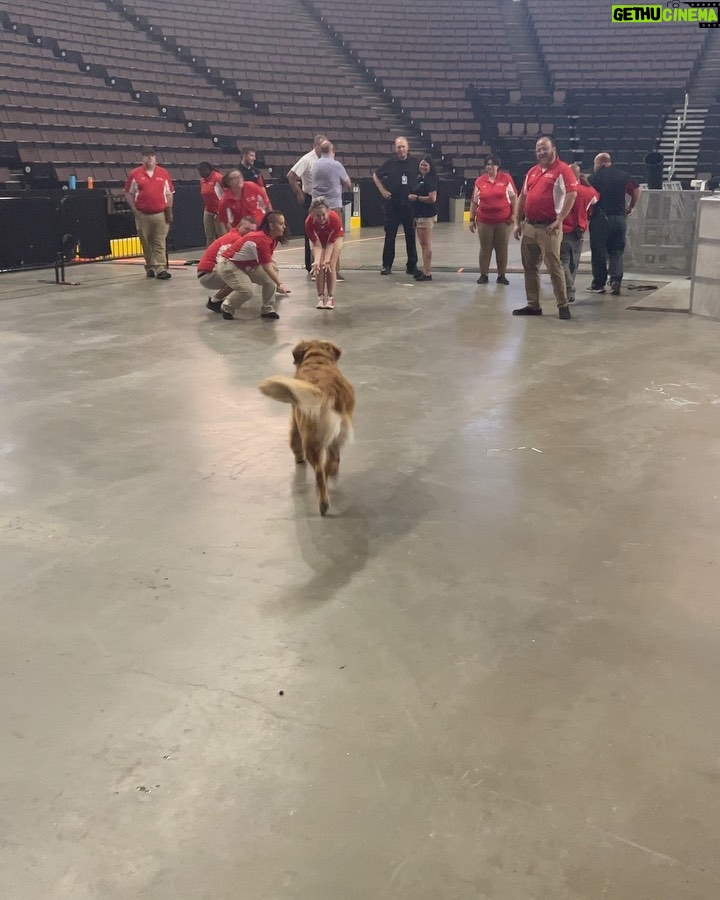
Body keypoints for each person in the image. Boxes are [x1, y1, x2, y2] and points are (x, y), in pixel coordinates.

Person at [512, 136, 578, 320]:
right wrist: (517, 222)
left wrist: (560, 219)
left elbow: (572, 194)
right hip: (530, 226)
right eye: (538, 150)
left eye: (544, 149)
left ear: (554, 149)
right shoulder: (532, 172)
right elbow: (522, 197)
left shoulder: (563, 170)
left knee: (554, 266)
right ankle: (533, 305)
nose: (541, 153)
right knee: (530, 267)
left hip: (549, 227)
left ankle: (563, 305)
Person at [216, 210, 291, 321]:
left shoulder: (271, 239)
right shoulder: (262, 240)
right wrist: (280, 284)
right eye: (281, 224)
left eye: (283, 223)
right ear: (271, 225)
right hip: (228, 264)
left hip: (244, 265)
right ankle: (226, 307)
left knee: (269, 281)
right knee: (247, 290)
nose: (284, 227)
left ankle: (267, 309)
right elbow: (267, 267)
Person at [588, 152, 640, 295]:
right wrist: (632, 206)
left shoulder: (593, 178)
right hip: (619, 218)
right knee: (616, 251)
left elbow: (588, 196)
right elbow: (636, 189)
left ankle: (598, 284)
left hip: (600, 219)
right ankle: (616, 279)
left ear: (599, 163)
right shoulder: (623, 175)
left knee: (599, 252)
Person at [124, 146, 174, 280]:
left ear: (155, 157)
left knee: (159, 241)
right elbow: (128, 193)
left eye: (152, 155)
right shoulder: (135, 174)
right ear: (142, 158)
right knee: (146, 242)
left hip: (160, 213)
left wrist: (169, 210)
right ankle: (150, 266)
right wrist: (135, 210)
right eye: (147, 155)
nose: (149, 158)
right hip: (143, 214)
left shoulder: (163, 173)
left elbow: (169, 194)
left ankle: (160, 268)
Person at [373, 136, 420, 276]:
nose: (401, 149)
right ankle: (387, 265)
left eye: (403, 146)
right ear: (395, 149)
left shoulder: (415, 163)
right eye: (399, 147)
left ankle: (412, 265)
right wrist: (382, 191)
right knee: (390, 236)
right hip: (393, 205)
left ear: (408, 148)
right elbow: (375, 175)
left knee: (411, 236)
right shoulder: (390, 163)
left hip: (409, 205)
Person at [468, 155, 517, 285]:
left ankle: (502, 275)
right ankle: (484, 274)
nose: (489, 166)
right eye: (487, 164)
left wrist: (514, 215)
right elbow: (474, 201)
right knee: (485, 248)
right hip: (484, 221)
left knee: (502, 248)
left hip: (503, 221)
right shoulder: (479, 181)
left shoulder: (506, 179)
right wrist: (471, 219)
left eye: (492, 164)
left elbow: (513, 198)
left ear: (497, 166)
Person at [311, 140, 351, 281]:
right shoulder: (336, 165)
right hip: (332, 206)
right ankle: (334, 270)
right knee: (334, 239)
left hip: (316, 206)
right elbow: (348, 183)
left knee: (317, 240)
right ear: (331, 150)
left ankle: (317, 270)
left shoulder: (315, 164)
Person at [197, 216, 255, 312]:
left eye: (252, 230)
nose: (249, 232)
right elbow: (222, 260)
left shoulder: (237, 237)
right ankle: (216, 301)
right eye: (246, 229)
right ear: (239, 226)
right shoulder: (233, 238)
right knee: (240, 277)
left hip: (208, 273)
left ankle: (217, 300)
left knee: (241, 274)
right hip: (207, 275)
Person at [287, 134, 327, 272]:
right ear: (315, 146)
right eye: (322, 147)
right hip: (311, 197)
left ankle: (323, 262)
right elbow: (291, 176)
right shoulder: (307, 159)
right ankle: (311, 264)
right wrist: (299, 193)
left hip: (323, 198)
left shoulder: (326, 158)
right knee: (311, 232)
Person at [560, 164, 599, 303]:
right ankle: (569, 290)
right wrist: (586, 182)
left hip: (563, 229)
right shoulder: (587, 192)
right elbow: (596, 198)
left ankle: (568, 288)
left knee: (562, 260)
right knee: (574, 263)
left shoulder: (563, 190)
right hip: (579, 231)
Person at [305, 198, 345, 310]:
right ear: (313, 215)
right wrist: (316, 261)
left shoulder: (335, 219)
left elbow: (330, 244)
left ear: (328, 211)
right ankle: (320, 296)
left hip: (333, 239)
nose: (321, 218)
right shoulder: (309, 223)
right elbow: (317, 245)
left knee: (330, 265)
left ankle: (331, 297)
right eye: (318, 216)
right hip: (319, 239)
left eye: (323, 215)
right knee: (319, 267)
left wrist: (327, 260)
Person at [407, 156, 438, 281]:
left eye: (425, 165)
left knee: (426, 244)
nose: (423, 167)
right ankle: (425, 269)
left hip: (426, 215)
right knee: (423, 244)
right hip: (419, 215)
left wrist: (417, 198)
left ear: (430, 167)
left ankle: (427, 272)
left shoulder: (431, 179)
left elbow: (432, 198)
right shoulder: (421, 178)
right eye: (421, 165)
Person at [198, 161, 224, 246]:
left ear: (208, 170)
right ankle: (210, 255)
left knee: (222, 235)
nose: (201, 173)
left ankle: (224, 255)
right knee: (209, 235)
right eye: (199, 171)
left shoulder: (218, 178)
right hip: (208, 210)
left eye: (202, 171)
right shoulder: (202, 181)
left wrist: (220, 210)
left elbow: (225, 194)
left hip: (219, 210)